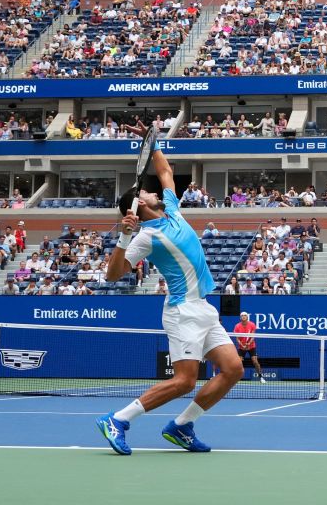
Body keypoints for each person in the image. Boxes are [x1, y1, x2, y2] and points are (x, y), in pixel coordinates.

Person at [96, 144, 242, 455]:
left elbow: (165, 171)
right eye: (146, 193)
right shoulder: (145, 237)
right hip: (182, 312)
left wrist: (153, 141)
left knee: (233, 369)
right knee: (185, 381)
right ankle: (118, 420)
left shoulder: (172, 209)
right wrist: (123, 236)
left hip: (203, 308)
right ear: (138, 206)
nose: (152, 192)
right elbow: (113, 275)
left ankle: (181, 426)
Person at [232, 311, 266, 384]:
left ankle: (261, 377)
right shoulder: (237, 326)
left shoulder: (252, 325)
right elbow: (237, 338)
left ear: (247, 317)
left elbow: (253, 336)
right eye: (242, 315)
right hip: (242, 347)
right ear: (240, 317)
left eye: (245, 315)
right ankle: (236, 378)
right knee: (239, 363)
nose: (243, 316)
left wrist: (248, 344)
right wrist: (242, 345)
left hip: (251, 346)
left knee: (255, 361)